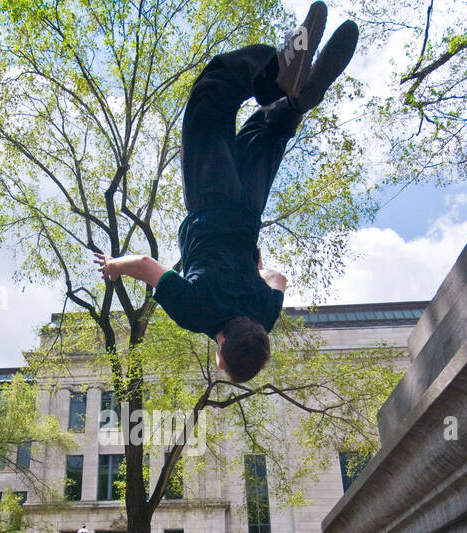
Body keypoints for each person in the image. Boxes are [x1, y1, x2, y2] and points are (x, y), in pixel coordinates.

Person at [93, 3, 359, 384]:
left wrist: (255, 269)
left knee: (266, 130)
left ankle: (297, 101)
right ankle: (274, 73)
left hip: (249, 211)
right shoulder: (195, 312)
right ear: (220, 354)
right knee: (211, 96)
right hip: (211, 200)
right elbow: (147, 266)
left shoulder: (265, 315)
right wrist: (114, 266)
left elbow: (278, 278)